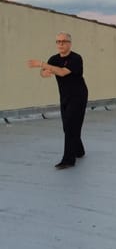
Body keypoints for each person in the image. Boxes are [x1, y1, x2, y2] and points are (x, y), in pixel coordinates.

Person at [27, 32, 89, 170]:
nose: (60, 44)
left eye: (64, 41)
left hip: (78, 96)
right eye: (58, 42)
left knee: (71, 125)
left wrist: (42, 64)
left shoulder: (76, 58)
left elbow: (62, 72)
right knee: (68, 126)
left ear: (69, 43)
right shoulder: (54, 58)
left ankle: (68, 160)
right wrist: (44, 72)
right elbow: (43, 72)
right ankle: (79, 151)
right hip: (65, 96)